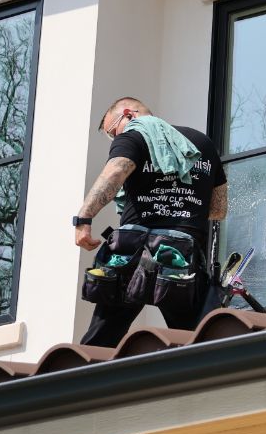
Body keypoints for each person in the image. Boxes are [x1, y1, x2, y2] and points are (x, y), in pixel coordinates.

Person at [74, 97, 228, 347]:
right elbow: (218, 209)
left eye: (114, 132)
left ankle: (80, 381)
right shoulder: (203, 144)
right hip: (182, 255)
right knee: (198, 342)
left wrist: (83, 218)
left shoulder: (134, 135)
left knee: (101, 340)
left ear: (128, 114)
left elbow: (115, 172)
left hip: (131, 253)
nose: (116, 140)